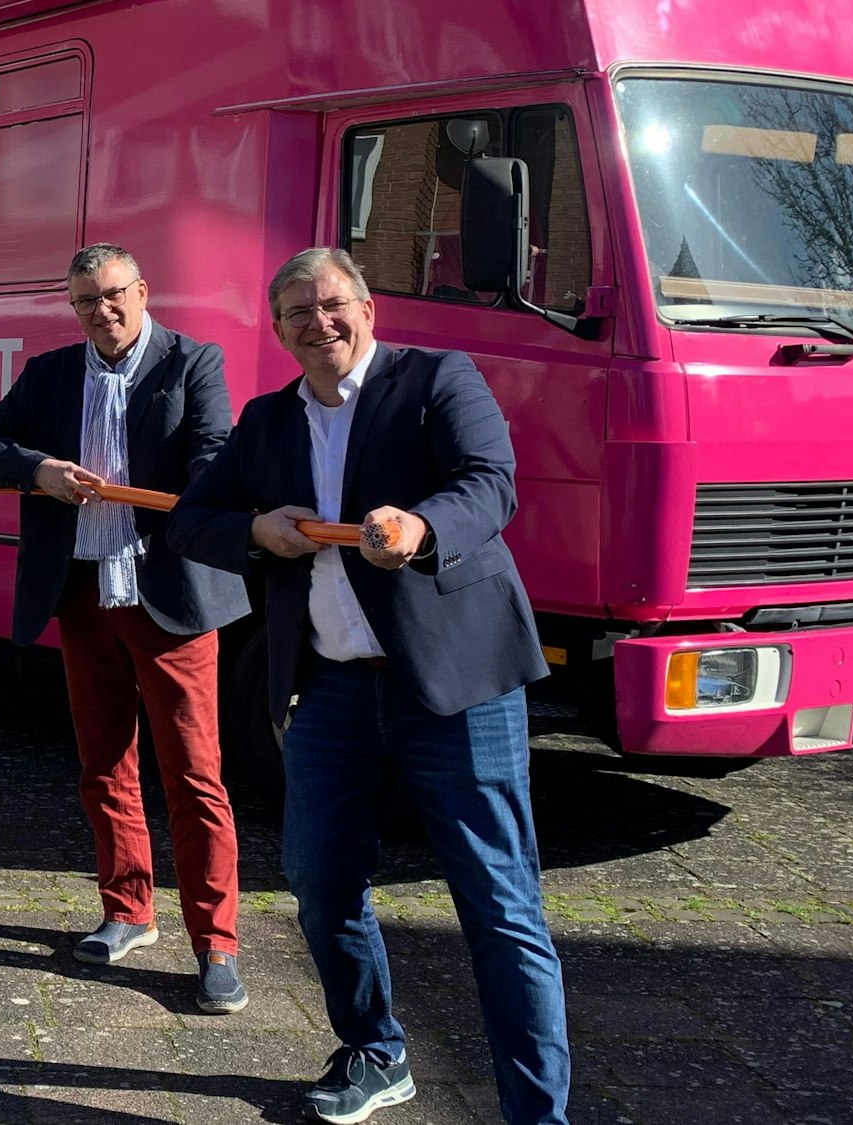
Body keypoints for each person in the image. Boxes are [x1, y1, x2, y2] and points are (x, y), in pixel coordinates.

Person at [168, 248, 568, 1124]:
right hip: (334, 691)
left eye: (333, 304)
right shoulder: (267, 422)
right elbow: (195, 518)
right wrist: (258, 532)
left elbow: (490, 485)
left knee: (501, 908)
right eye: (299, 314)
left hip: (455, 685)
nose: (320, 324)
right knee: (319, 880)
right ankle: (374, 1050)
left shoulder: (436, 380)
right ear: (278, 332)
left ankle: (538, 1113)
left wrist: (422, 525)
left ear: (367, 308)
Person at [0, 244, 250, 1011]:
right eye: (85, 301)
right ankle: (127, 910)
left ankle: (216, 942)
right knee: (103, 764)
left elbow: (217, 460)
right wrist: (36, 471)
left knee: (194, 773)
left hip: (169, 597)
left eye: (114, 295)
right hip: (83, 595)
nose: (102, 312)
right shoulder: (53, 372)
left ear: (143, 291)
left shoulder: (193, 362)